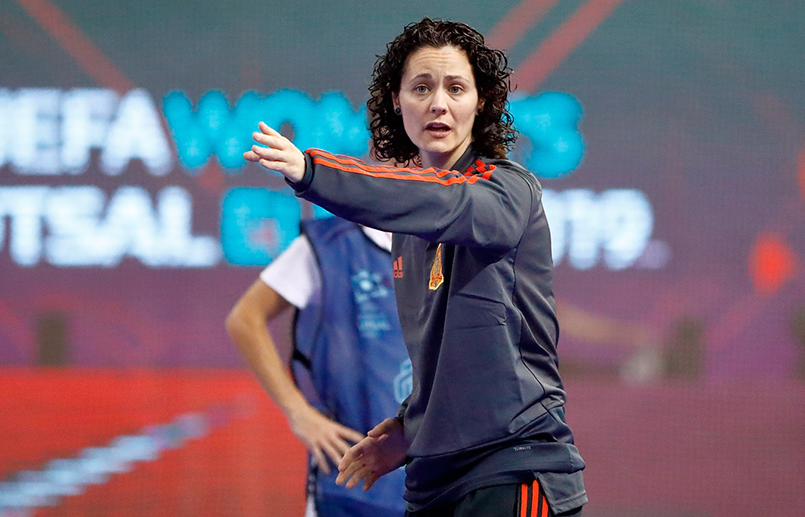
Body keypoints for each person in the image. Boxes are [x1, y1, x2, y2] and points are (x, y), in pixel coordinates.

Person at [244, 18, 587, 516]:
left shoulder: (508, 190)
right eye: (421, 88)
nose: (438, 104)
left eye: (456, 88)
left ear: (483, 102)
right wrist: (410, 427)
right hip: (432, 482)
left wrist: (311, 171)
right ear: (395, 102)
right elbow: (443, 357)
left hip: (511, 468)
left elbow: (440, 201)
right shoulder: (409, 228)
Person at [225, 216, 411, 517]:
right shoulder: (330, 243)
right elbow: (245, 319)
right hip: (349, 486)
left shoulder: (445, 235)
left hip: (431, 481)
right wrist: (299, 413)